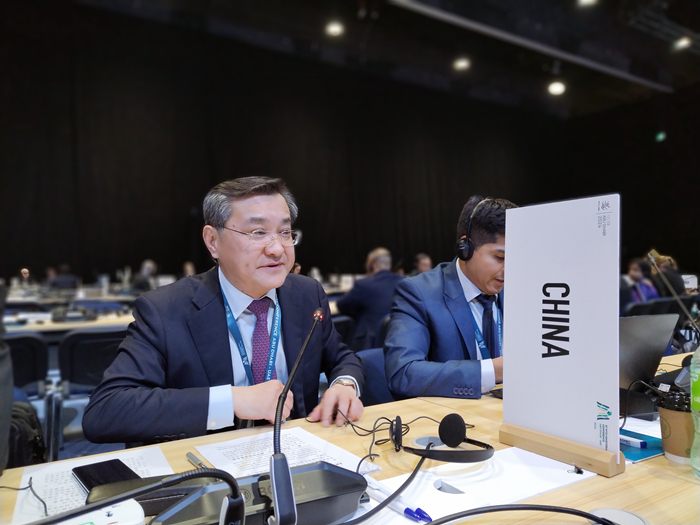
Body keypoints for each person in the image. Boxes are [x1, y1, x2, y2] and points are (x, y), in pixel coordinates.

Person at [83, 177, 364, 444]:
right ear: (213, 242)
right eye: (258, 233)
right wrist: (231, 401)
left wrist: (345, 385)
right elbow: (106, 410)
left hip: (297, 452)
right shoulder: (165, 310)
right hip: (207, 465)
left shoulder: (306, 294)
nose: (278, 249)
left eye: (285, 232)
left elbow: (342, 357)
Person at [384, 195, 517, 399]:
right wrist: (494, 370)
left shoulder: (519, 290)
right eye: (500, 258)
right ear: (465, 249)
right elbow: (403, 374)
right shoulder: (418, 293)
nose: (509, 270)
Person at [336, 248, 405, 351]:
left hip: (368, 344)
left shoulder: (364, 284)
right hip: (398, 340)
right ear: (389, 264)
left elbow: (341, 305)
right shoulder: (403, 282)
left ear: (372, 266)